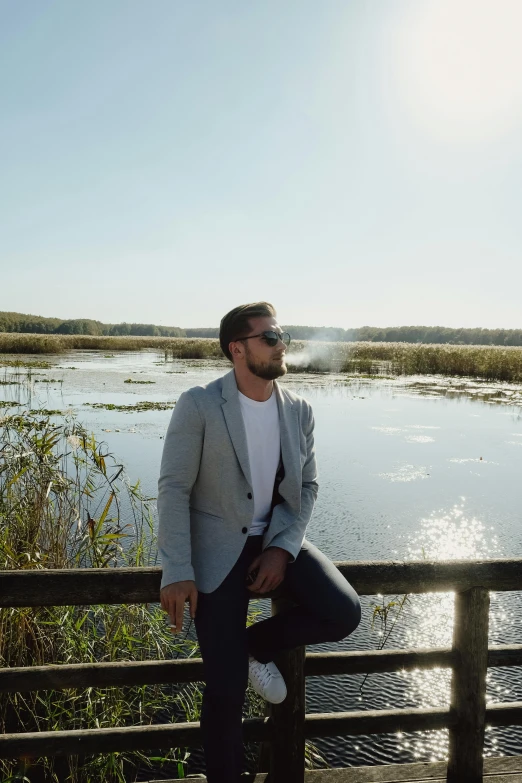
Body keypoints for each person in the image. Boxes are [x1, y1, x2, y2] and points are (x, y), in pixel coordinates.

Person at [157, 302, 361, 783]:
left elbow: (307, 486)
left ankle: (250, 648)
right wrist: (177, 568)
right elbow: (173, 488)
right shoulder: (201, 404)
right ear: (238, 348)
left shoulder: (298, 410)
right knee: (225, 691)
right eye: (270, 336)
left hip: (276, 540)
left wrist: (282, 547)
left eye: (282, 334)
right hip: (216, 552)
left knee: (343, 611)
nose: (281, 343)